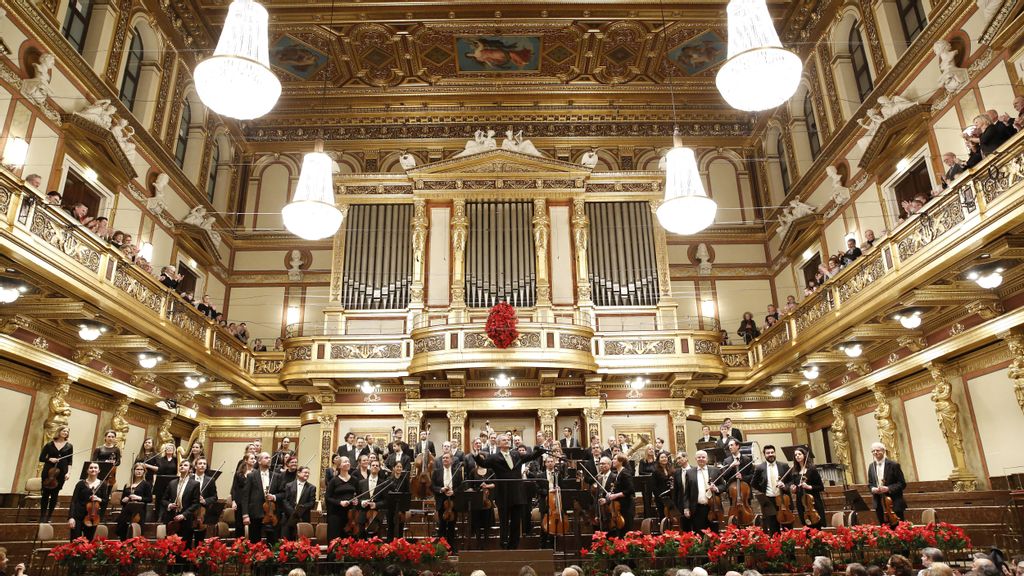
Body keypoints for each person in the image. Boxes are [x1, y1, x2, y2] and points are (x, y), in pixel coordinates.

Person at [472, 433, 543, 550]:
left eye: (508, 439)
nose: (507, 441)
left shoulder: (516, 454)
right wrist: (476, 454)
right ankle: (503, 544)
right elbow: (482, 463)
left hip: (517, 493)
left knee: (516, 521)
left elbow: (530, 456)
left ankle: (514, 545)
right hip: (503, 493)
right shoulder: (494, 457)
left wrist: (540, 450)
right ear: (499, 444)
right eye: (504, 440)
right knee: (504, 521)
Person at [239, 452, 279, 543]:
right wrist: (245, 514)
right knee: (255, 541)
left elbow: (283, 493)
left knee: (272, 541)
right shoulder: (251, 476)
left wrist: (274, 497)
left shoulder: (276, 476)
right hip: (255, 512)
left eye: (269, 458)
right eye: (266, 458)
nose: (269, 459)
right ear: (259, 461)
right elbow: (245, 496)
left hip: (271, 513)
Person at [752, 444, 790, 533]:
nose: (770, 454)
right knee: (773, 527)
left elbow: (791, 481)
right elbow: (753, 483)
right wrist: (763, 490)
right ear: (764, 455)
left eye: (772, 452)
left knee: (787, 526)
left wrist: (785, 486)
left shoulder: (784, 466)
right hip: (769, 500)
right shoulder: (760, 468)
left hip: (783, 498)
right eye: (768, 453)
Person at [39, 425, 73, 523]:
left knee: (55, 495)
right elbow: (41, 458)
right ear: (59, 431)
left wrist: (69, 473)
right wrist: (50, 459)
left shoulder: (69, 446)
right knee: (45, 494)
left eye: (67, 432)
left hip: (61, 472)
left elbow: (70, 461)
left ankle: (49, 516)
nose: (66, 433)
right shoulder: (49, 445)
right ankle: (42, 516)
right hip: (48, 471)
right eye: (64, 431)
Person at [162, 460, 200, 547]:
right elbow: (164, 499)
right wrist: (169, 505)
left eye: (185, 465)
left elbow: (196, 503)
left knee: (185, 545)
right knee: (171, 546)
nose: (182, 466)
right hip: (172, 518)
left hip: (186, 519)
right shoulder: (172, 483)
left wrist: (183, 515)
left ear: (190, 469)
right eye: (181, 465)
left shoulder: (195, 484)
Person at [867, 441, 907, 525]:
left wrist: (888, 488)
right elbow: (870, 483)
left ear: (883, 451)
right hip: (879, 504)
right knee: (884, 530)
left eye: (877, 450)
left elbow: (902, 483)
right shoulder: (871, 466)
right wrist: (873, 489)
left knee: (898, 529)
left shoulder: (894, 465)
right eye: (873, 451)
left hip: (894, 503)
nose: (875, 452)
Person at [68, 461, 108, 540]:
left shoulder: (103, 484)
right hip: (78, 516)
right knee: (75, 540)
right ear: (87, 470)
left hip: (93, 516)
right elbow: (74, 501)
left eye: (95, 468)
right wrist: (71, 517)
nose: (93, 469)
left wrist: (98, 499)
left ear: (99, 470)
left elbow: (105, 501)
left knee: (89, 541)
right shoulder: (80, 484)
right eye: (91, 467)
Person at [683, 449, 721, 532]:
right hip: (697, 509)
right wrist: (686, 508)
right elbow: (687, 493)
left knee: (714, 533)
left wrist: (716, 488)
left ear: (707, 459)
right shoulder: (689, 473)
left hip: (713, 507)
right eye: (699, 457)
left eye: (703, 457)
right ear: (695, 459)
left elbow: (723, 486)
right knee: (699, 533)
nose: (701, 459)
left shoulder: (715, 470)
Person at [597, 455, 634, 537]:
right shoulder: (619, 473)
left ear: (620, 462)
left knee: (626, 530)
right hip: (621, 506)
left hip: (626, 506)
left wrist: (615, 495)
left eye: (614, 459)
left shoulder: (625, 472)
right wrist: (612, 494)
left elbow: (630, 490)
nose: (612, 461)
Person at [432, 452, 462, 552]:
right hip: (442, 501)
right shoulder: (437, 471)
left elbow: (461, 486)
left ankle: (452, 547)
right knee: (442, 526)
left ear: (451, 460)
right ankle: (441, 549)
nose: (444, 459)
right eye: (443, 458)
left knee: (452, 526)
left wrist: (454, 492)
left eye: (447, 458)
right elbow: (432, 487)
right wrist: (441, 489)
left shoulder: (456, 472)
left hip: (453, 501)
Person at [789, 446, 825, 529]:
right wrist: (794, 489)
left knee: (816, 525)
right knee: (806, 525)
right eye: (795, 455)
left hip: (812, 501)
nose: (797, 456)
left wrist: (809, 487)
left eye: (799, 454)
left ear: (804, 455)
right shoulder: (795, 472)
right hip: (801, 502)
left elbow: (821, 487)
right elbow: (796, 487)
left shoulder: (812, 470)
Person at [116, 462, 152, 540]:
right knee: (123, 530)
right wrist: (124, 500)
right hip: (126, 511)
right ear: (134, 471)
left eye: (141, 469)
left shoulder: (146, 484)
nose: (139, 471)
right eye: (137, 469)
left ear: (144, 471)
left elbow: (149, 499)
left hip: (139, 511)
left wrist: (138, 498)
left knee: (136, 531)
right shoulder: (128, 484)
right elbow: (121, 502)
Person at [325, 455, 358, 540]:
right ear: (339, 465)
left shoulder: (354, 480)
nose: (347, 463)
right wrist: (340, 502)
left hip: (350, 514)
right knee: (335, 538)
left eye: (348, 461)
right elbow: (328, 497)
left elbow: (358, 495)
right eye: (345, 462)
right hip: (336, 513)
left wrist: (356, 500)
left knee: (348, 538)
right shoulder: (334, 481)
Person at [280, 465, 316, 540]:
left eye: (308, 473)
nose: (307, 474)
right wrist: (293, 512)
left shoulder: (311, 487)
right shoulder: (288, 485)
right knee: (287, 541)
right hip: (288, 517)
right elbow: (285, 500)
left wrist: (300, 509)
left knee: (301, 542)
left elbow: (312, 503)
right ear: (298, 473)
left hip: (302, 517)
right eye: (305, 472)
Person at [191, 458, 218, 544]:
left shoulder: (210, 480)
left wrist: (205, 501)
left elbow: (214, 497)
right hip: (189, 511)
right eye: (200, 463)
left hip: (202, 513)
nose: (202, 465)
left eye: (204, 464)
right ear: (195, 466)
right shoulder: (189, 479)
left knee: (200, 541)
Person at [357, 460, 387, 538]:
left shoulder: (383, 483)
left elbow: (386, 501)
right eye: (373, 465)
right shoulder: (361, 483)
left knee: (376, 540)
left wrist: (376, 504)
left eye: (377, 465)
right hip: (363, 514)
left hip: (376, 516)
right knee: (361, 539)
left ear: (379, 468)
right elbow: (357, 498)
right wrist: (362, 502)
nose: (375, 467)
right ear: (369, 467)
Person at [231, 452, 256, 538]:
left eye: (254, 458)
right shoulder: (239, 473)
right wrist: (233, 501)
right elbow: (234, 488)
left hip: (251, 502)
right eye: (251, 458)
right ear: (246, 460)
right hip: (239, 501)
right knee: (239, 525)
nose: (254, 460)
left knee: (252, 525)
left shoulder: (256, 473)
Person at [385, 461, 410, 541]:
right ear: (393, 468)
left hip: (401, 507)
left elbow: (407, 492)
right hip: (391, 506)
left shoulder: (405, 480)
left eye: (400, 467)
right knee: (390, 525)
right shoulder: (389, 479)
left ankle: (400, 543)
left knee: (400, 526)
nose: (399, 468)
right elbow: (386, 493)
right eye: (397, 467)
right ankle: (389, 543)